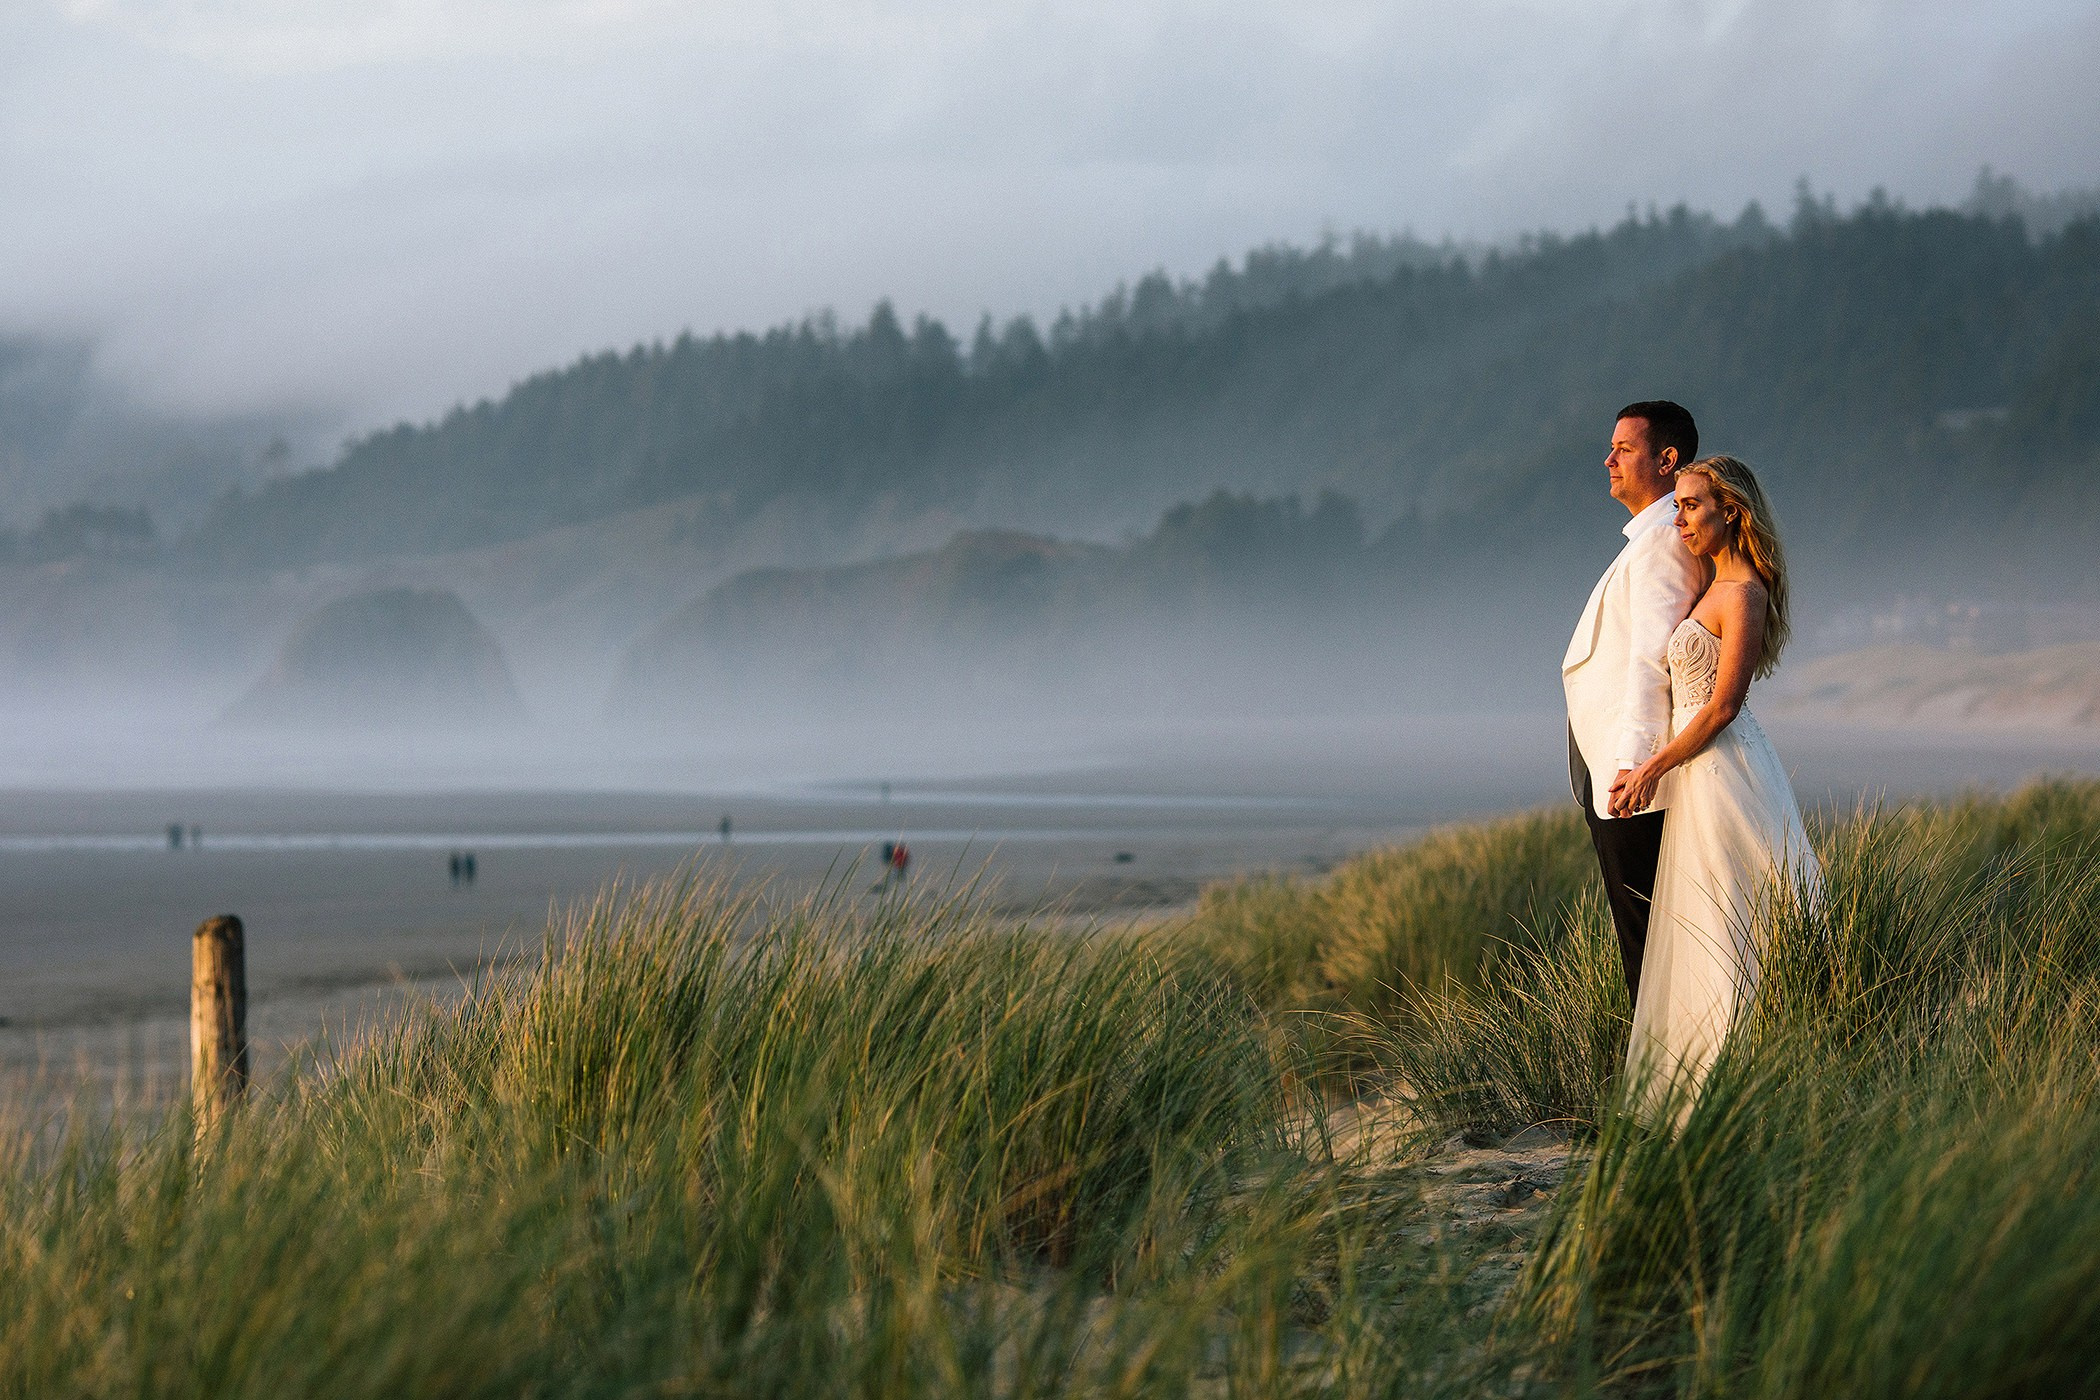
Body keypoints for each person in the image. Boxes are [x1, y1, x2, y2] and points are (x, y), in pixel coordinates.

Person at [1608, 455, 1819, 1115]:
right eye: (1679, 505)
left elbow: (1723, 707)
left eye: (1694, 504)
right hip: (1697, 771)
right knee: (1702, 919)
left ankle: (1744, 1078)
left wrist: (1651, 768)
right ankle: (1702, 1080)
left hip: (1726, 771)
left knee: (1735, 918)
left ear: (1732, 510)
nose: (1683, 518)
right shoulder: (1704, 585)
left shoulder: (1744, 592)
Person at [1563, 401, 1706, 1001]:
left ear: (1667, 459)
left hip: (1633, 786)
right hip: (1620, 773)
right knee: (1641, 938)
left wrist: (1632, 765)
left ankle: (1656, 1073)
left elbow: (1655, 662)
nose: (1608, 459)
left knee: (1644, 944)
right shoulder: (1648, 540)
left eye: (1623, 449)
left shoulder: (1662, 545)